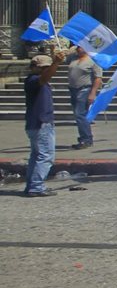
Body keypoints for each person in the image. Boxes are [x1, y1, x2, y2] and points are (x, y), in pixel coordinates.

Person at [23, 51, 65, 197]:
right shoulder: (34, 80)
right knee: (46, 156)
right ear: (35, 67)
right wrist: (56, 63)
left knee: (36, 155)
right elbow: (44, 77)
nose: (45, 70)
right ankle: (36, 186)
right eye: (43, 68)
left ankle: (31, 185)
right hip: (41, 123)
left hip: (37, 123)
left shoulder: (39, 80)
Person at [66, 45, 102, 150]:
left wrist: (93, 93)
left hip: (85, 89)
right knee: (79, 114)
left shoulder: (93, 60)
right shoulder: (73, 58)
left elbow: (98, 78)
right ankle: (85, 137)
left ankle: (86, 139)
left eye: (81, 46)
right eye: (77, 46)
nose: (78, 48)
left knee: (79, 114)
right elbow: (64, 61)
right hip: (73, 89)